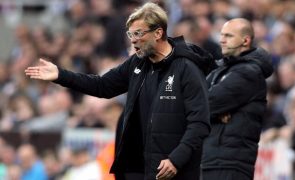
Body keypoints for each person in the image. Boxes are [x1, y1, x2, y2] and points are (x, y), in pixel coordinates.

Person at [25, 2, 212, 180]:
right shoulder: (137, 64)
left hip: (175, 170)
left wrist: (176, 159)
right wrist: (61, 75)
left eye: (139, 33)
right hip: (141, 168)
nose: (133, 40)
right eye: (131, 35)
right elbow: (102, 85)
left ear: (158, 33)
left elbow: (199, 123)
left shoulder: (187, 68)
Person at [201, 18, 274, 180]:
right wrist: (215, 114)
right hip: (210, 160)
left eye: (228, 35)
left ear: (245, 40)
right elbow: (193, 101)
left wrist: (209, 114)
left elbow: (206, 103)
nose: (221, 40)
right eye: (221, 35)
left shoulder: (250, 72)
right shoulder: (218, 71)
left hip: (230, 163)